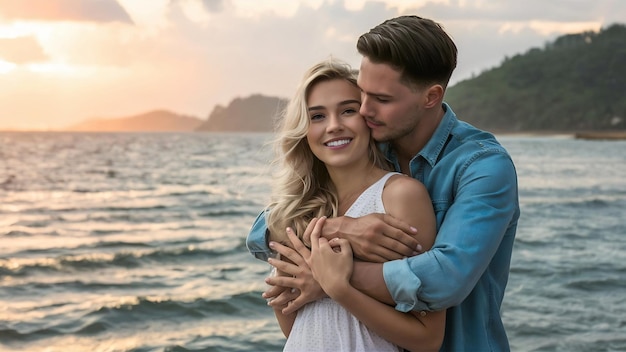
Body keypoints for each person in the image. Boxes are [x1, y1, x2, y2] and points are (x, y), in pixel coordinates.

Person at [248, 15, 520, 351]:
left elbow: (444, 279)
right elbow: (264, 230)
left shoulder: (483, 167)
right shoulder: (367, 148)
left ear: (431, 97)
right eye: (362, 94)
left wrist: (330, 276)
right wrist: (341, 229)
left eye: (382, 99)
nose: (364, 109)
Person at [259, 58, 445, 351]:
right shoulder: (297, 211)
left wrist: (337, 288)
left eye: (347, 111)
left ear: (368, 119)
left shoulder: (400, 195)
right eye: (317, 116)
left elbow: (428, 338)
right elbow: (297, 326)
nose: (334, 126)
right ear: (304, 131)